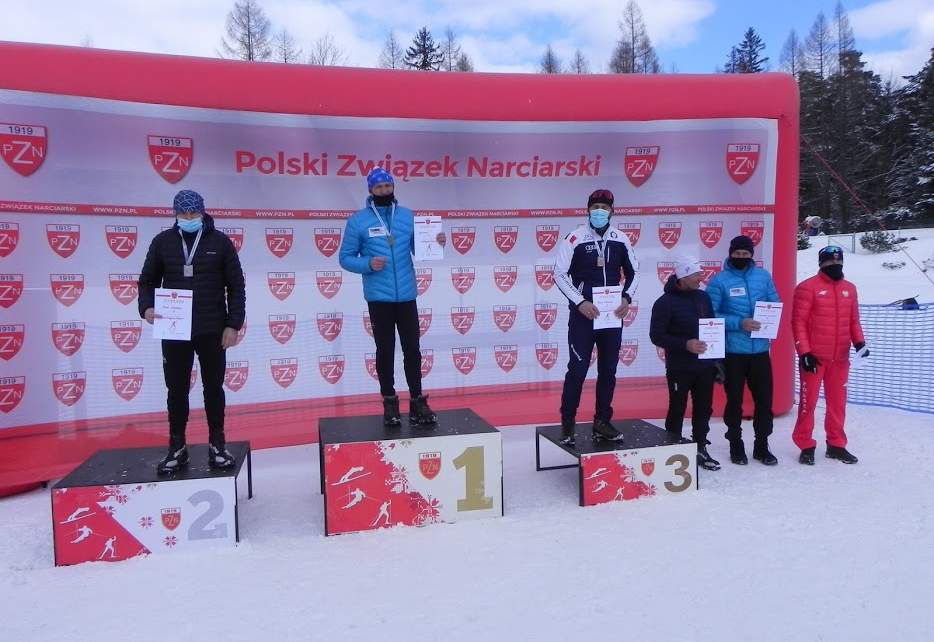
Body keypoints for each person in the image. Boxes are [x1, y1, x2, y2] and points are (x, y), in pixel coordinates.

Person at [138, 189, 245, 474]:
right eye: (183, 213)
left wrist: (233, 324)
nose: (188, 218)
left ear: (202, 212)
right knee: (176, 390)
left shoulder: (220, 242)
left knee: (213, 388)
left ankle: (217, 445)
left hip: (212, 328)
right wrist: (146, 308)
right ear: (175, 214)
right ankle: (177, 447)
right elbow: (146, 281)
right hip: (174, 328)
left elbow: (236, 286)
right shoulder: (162, 242)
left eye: (193, 213)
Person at [339, 168, 445, 427]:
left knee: (413, 350)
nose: (385, 191)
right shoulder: (358, 221)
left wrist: (436, 241)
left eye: (388, 186)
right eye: (379, 187)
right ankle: (389, 402)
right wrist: (367, 264)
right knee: (385, 351)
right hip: (379, 298)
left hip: (407, 295)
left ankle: (418, 401)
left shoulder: (408, 216)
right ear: (370, 190)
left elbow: (419, 250)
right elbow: (345, 258)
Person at [554, 189, 639, 445]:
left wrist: (626, 298)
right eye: (595, 207)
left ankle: (602, 421)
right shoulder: (574, 238)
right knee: (578, 370)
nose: (599, 211)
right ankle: (568, 423)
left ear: (612, 210)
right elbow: (559, 274)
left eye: (604, 207)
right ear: (587, 209)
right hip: (584, 316)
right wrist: (580, 302)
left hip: (611, 317)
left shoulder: (621, 239)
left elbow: (634, 273)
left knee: (608, 371)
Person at [706, 235, 780, 466]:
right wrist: (739, 323)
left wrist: (770, 319)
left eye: (745, 254)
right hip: (734, 352)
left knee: (764, 401)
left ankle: (761, 446)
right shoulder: (719, 281)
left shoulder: (763, 276)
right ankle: (735, 445)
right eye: (737, 253)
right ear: (730, 254)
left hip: (759, 351)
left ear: (751, 255)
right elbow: (710, 314)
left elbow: (774, 302)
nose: (741, 257)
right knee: (734, 400)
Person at [792, 246, 867, 465]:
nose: (834, 266)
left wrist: (859, 342)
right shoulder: (807, 288)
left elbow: (853, 321)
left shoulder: (850, 289)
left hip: (840, 359)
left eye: (838, 262)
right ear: (821, 264)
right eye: (829, 263)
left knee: (837, 404)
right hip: (815, 359)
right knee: (809, 403)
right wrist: (804, 352)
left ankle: (836, 444)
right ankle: (805, 444)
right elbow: (798, 323)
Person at [649, 257, 722, 470]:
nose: (702, 277)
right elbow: (656, 336)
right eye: (697, 274)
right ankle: (672, 448)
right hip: (679, 367)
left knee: (703, 408)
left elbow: (712, 328)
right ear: (684, 277)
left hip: (704, 366)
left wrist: (716, 360)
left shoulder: (703, 297)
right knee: (678, 407)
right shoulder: (664, 303)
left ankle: (700, 447)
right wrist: (685, 344)